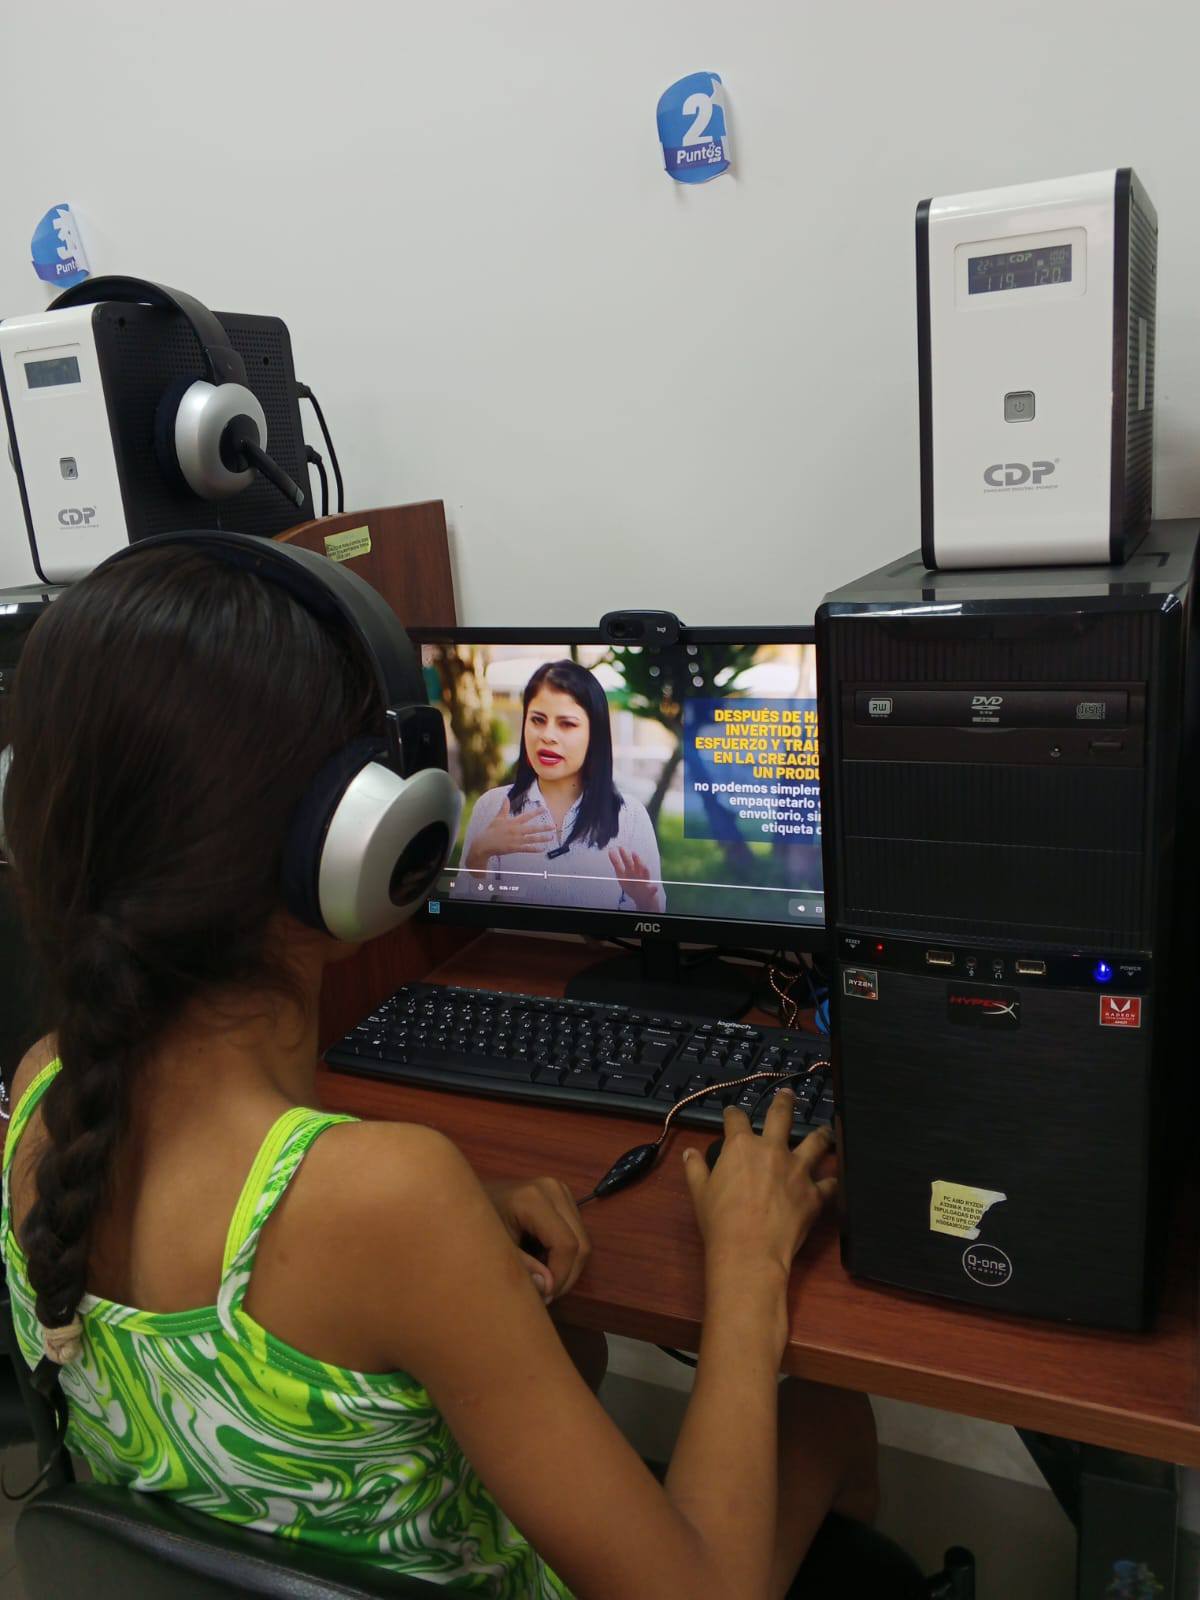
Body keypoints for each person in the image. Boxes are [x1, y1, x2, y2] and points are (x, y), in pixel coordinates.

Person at [0, 547, 880, 1600]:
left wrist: (458, 1217)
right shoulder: (389, 1199)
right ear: (366, 845)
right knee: (829, 1408)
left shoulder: (44, 1093)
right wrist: (747, 1267)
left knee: (574, 1346)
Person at [451, 659, 666, 913]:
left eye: (567, 724)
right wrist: (478, 856)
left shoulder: (630, 816)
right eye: (537, 720)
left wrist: (645, 901)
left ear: (594, 735)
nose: (547, 736)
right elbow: (464, 918)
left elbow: (653, 920)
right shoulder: (493, 806)